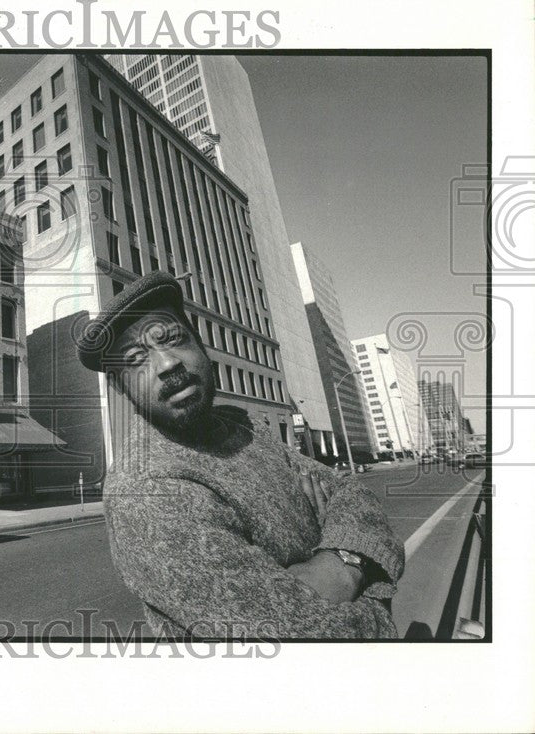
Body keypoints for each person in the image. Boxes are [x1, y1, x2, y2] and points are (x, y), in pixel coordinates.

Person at [76, 272, 404, 639]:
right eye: (136, 359)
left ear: (201, 347)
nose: (168, 364)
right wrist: (372, 584)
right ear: (121, 388)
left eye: (173, 339)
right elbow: (307, 639)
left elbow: (352, 492)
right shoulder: (145, 489)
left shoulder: (241, 425)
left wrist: (341, 563)